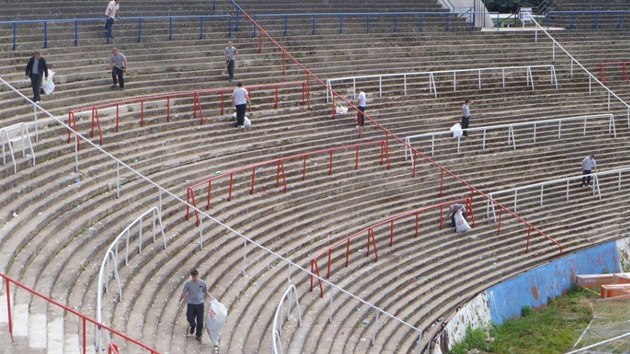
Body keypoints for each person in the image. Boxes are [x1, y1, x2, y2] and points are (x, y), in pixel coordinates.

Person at [179, 269, 211, 343]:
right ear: (191, 276)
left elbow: (205, 291)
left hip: (200, 304)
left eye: (196, 276)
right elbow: (184, 292)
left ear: (197, 275)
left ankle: (198, 335)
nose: (194, 278)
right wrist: (180, 299)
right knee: (189, 317)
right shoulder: (188, 284)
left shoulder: (202, 283)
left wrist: (211, 298)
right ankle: (193, 325)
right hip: (191, 303)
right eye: (193, 277)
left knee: (200, 321)